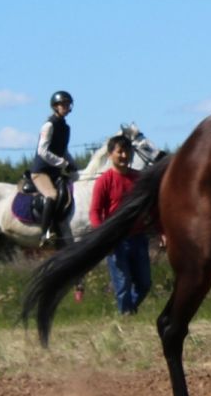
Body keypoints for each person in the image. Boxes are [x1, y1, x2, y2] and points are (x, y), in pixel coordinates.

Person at [89, 133, 152, 315]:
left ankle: (128, 312)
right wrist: (102, 236)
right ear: (110, 155)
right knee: (122, 283)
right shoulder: (104, 181)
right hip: (115, 241)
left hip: (139, 238)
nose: (125, 156)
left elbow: (151, 207)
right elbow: (95, 211)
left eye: (128, 151)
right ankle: (126, 317)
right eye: (120, 152)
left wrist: (162, 231)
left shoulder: (140, 179)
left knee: (144, 283)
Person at [30, 90, 76, 244]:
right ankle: (45, 233)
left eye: (67, 104)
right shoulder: (49, 125)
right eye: (62, 104)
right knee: (52, 195)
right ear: (55, 106)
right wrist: (63, 163)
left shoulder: (66, 127)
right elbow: (42, 151)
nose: (65, 107)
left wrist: (73, 165)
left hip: (55, 172)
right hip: (41, 172)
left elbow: (64, 151)